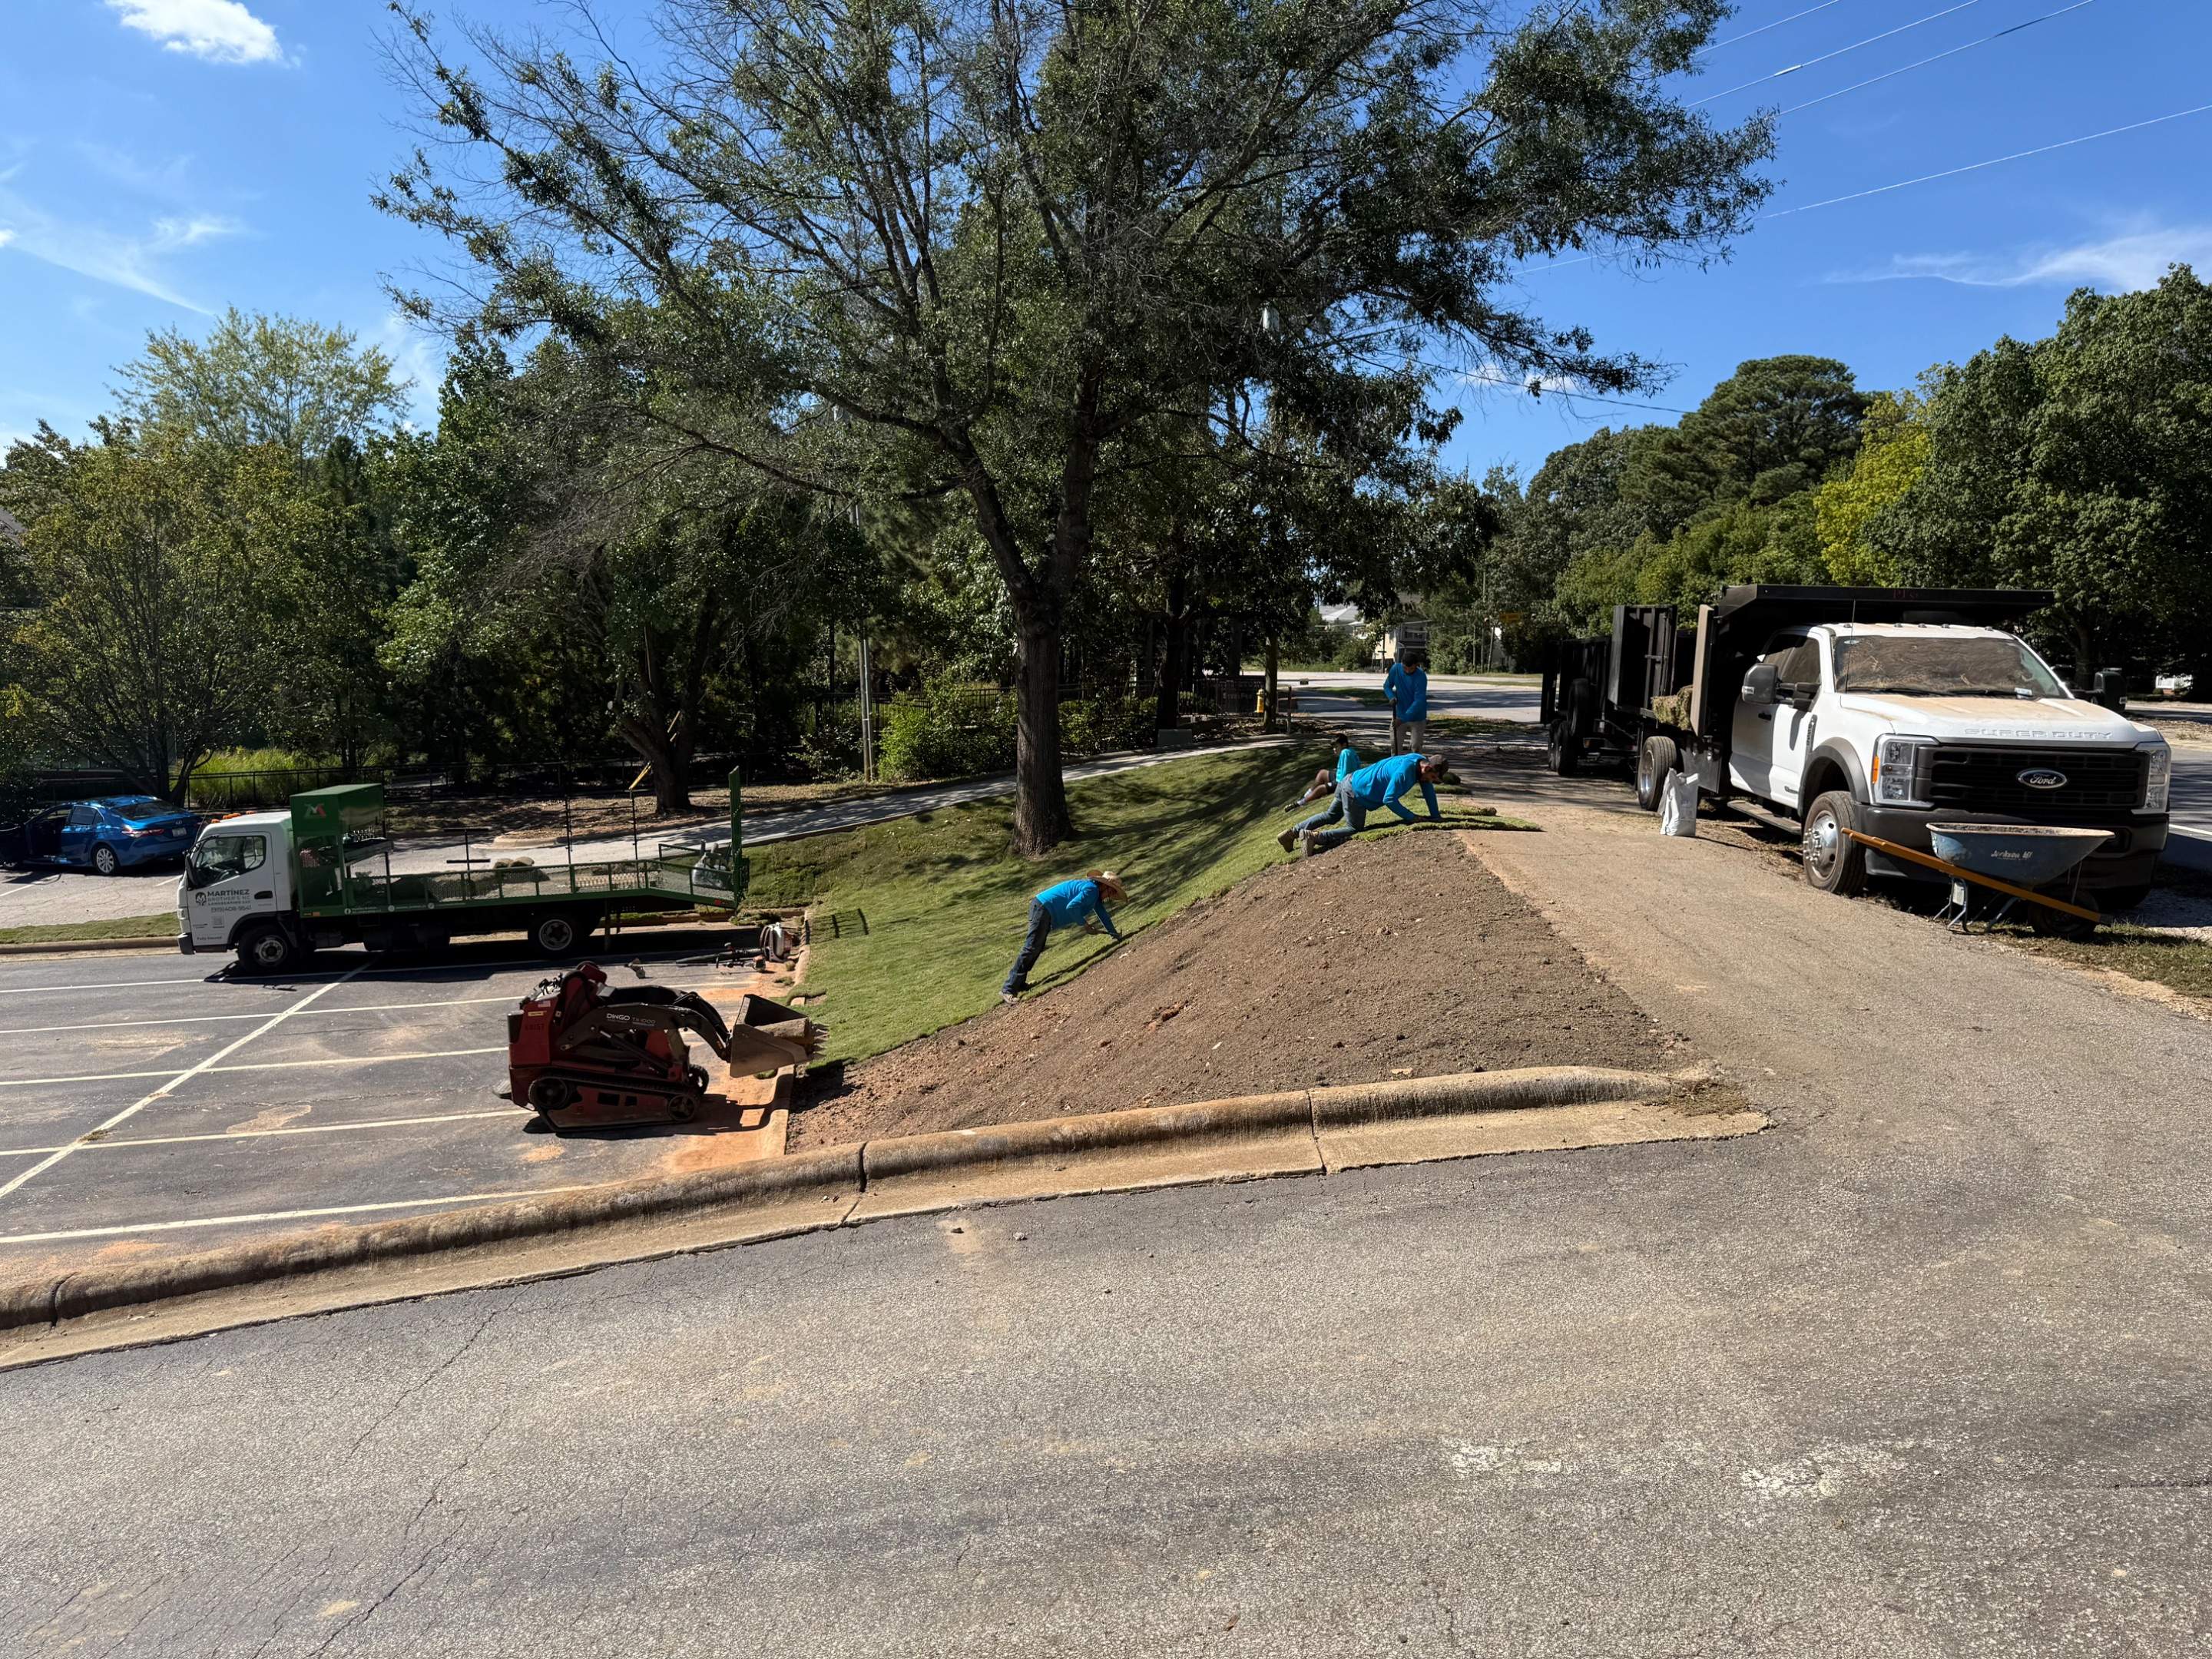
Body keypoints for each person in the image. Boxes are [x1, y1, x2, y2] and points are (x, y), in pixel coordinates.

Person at [1001, 869, 1128, 1003]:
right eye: (1112, 892)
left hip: (1043, 908)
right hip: (1043, 908)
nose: (1110, 896)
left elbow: (1103, 915)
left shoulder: (1094, 893)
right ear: (1104, 886)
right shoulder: (1091, 890)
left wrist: (1114, 934)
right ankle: (1008, 989)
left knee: (1036, 947)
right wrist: (1086, 926)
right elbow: (1071, 907)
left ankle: (1020, 983)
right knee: (1031, 948)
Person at [1289, 752, 1448, 856]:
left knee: (1331, 816)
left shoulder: (1418, 760)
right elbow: (1389, 799)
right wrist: (1411, 817)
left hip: (1349, 780)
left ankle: (1293, 832)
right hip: (1356, 793)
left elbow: (1428, 789)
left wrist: (1435, 816)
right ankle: (1315, 838)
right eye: (1433, 777)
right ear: (1427, 768)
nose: (1431, 782)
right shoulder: (1404, 773)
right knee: (1354, 828)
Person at [1281, 746, 1363, 824]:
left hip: (1344, 781)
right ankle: (1307, 794)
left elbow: (1346, 776)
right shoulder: (1348, 751)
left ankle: (1300, 803)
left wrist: (1338, 784)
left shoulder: (1346, 753)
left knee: (1321, 789)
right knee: (1322, 773)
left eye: (1336, 746)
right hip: (1339, 776)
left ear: (1343, 744)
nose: (1334, 749)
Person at [1384, 649, 1429, 754]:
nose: (1408, 671)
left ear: (1416, 665)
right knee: (1395, 746)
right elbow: (1387, 686)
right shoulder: (1395, 669)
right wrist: (1391, 696)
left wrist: (1403, 718)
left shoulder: (1421, 676)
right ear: (1402, 664)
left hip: (1417, 717)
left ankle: (1415, 768)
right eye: (1405, 668)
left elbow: (1419, 701)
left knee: (1415, 747)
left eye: (1411, 668)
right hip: (1399, 713)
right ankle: (1396, 768)